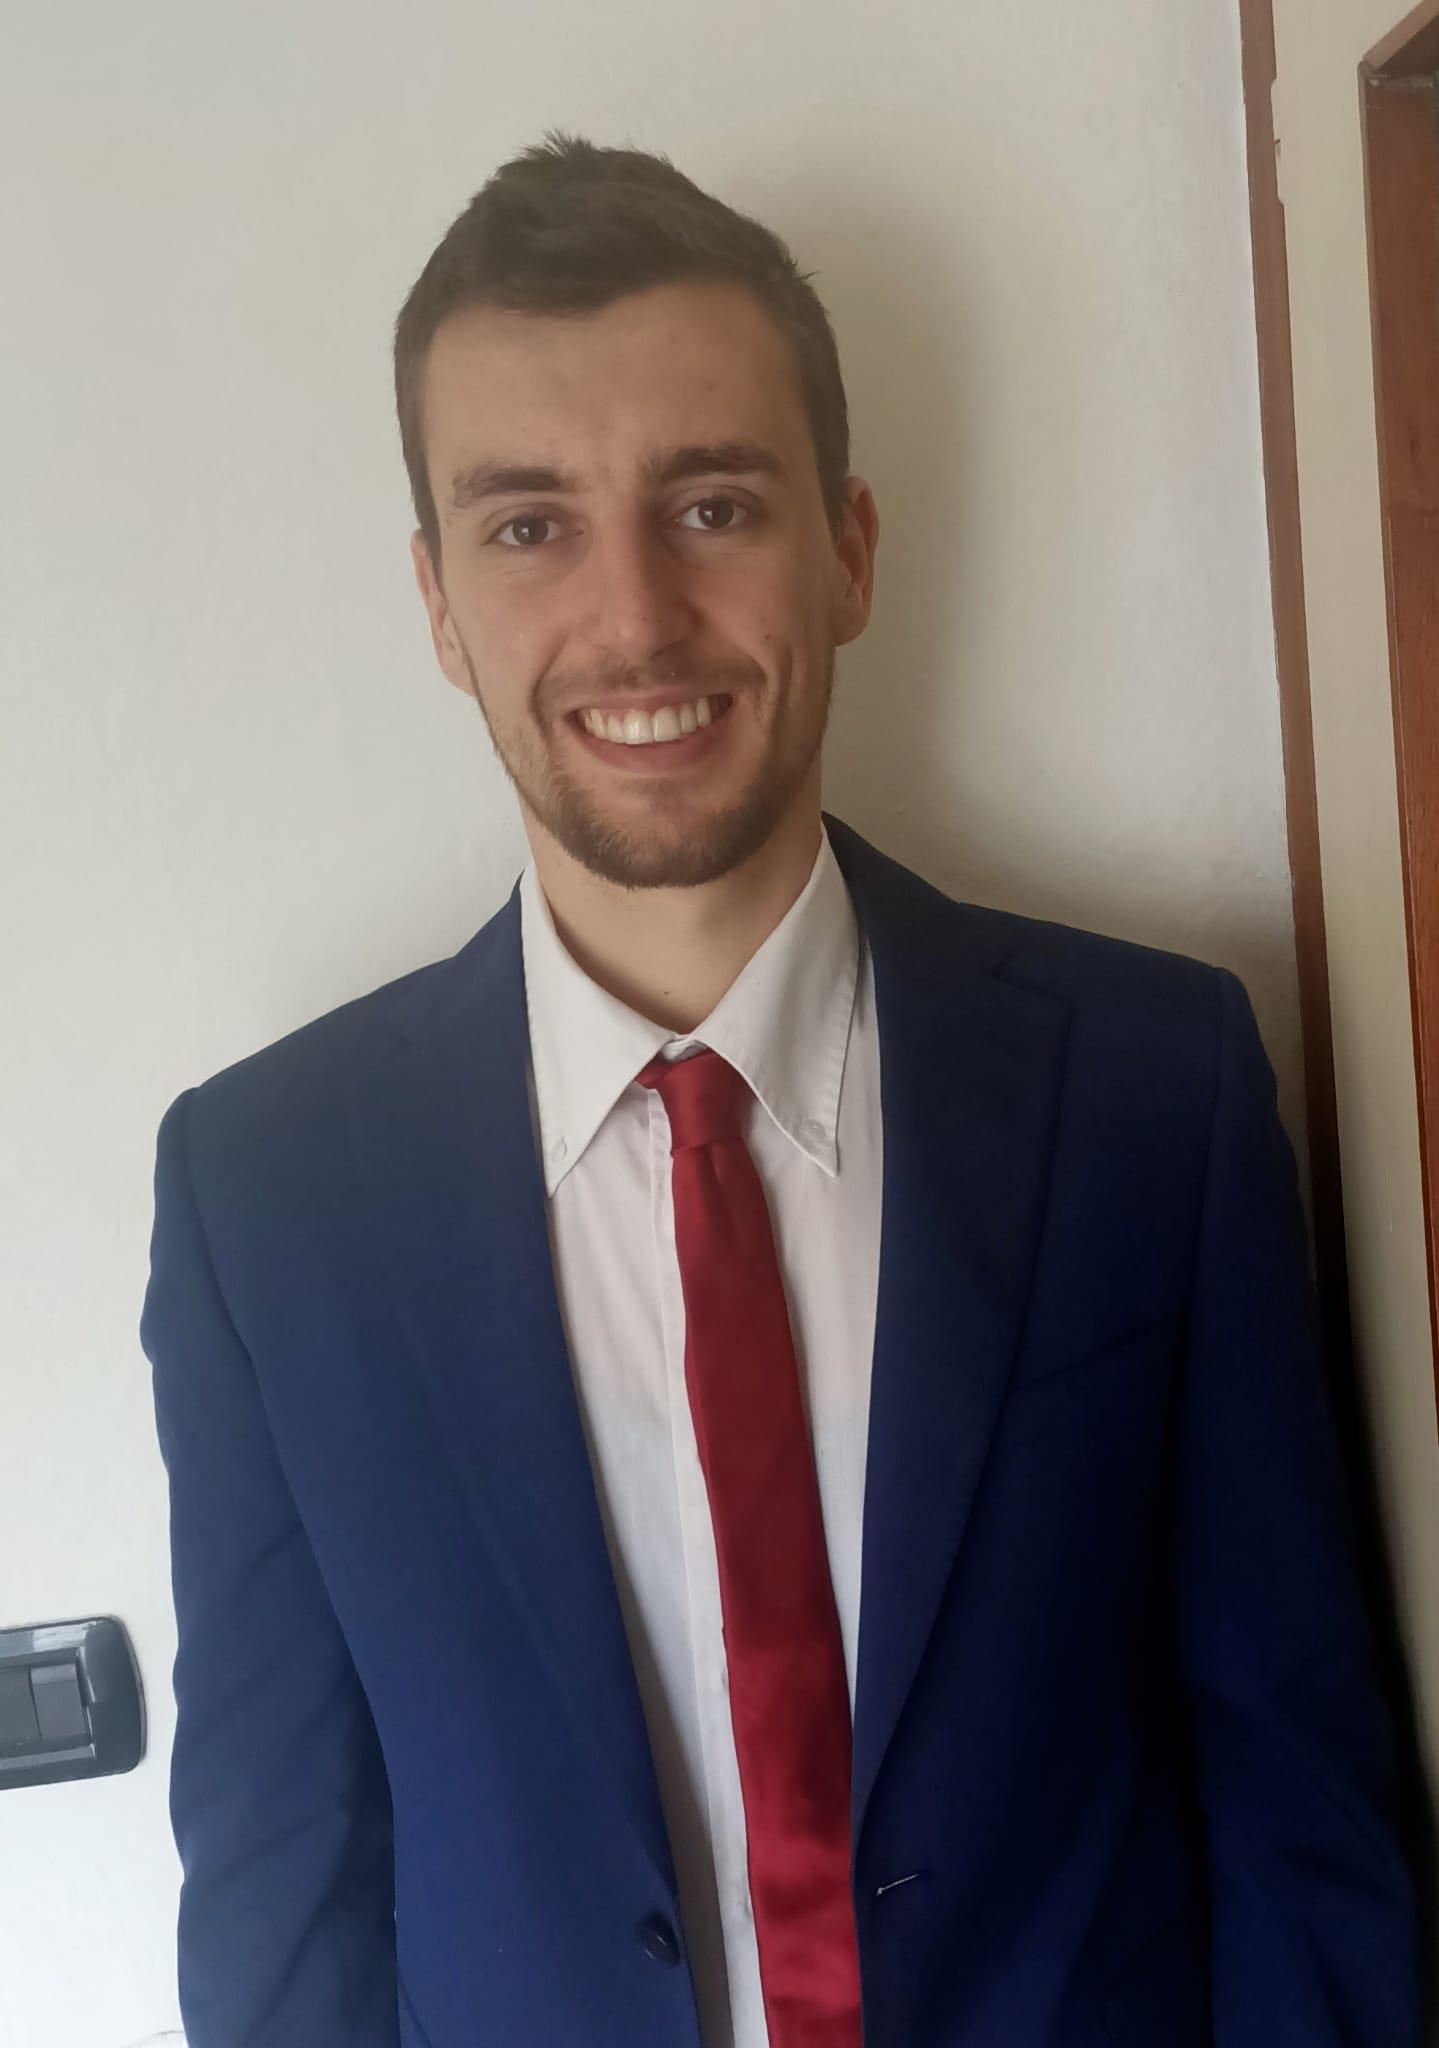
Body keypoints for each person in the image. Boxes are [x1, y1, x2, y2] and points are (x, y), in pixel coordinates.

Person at [140, 131, 1419, 2048]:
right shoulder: (270, 1199)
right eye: (529, 526)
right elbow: (281, 1888)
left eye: (714, 503)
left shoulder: (1158, 1091)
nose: (636, 617)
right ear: (438, 606)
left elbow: (1301, 1793)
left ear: (850, 551)